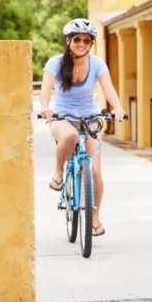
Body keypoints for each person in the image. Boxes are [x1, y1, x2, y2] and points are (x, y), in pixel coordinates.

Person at [39, 18, 125, 238]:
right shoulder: (55, 63)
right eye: (77, 39)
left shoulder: (97, 64)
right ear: (68, 40)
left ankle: (95, 218)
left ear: (91, 43)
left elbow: (108, 88)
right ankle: (59, 172)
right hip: (62, 118)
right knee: (69, 136)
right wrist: (44, 108)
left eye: (86, 40)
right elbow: (46, 89)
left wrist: (116, 107)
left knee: (95, 172)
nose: (81, 43)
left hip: (90, 118)